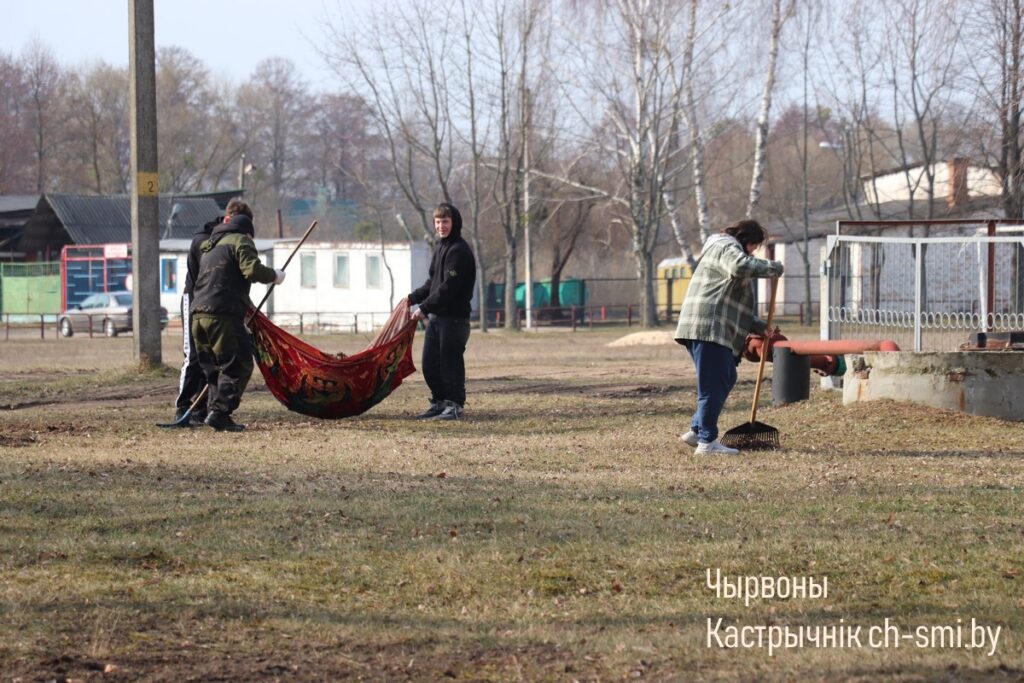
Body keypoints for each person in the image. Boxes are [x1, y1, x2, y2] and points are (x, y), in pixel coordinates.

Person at [674, 219, 783, 454]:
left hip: (702, 324)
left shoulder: (720, 249)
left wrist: (760, 326)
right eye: (754, 246)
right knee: (712, 385)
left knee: (725, 377)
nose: (753, 252)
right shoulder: (727, 246)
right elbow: (739, 266)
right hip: (709, 326)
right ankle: (707, 442)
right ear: (746, 239)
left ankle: (697, 430)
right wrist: (772, 267)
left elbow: (730, 304)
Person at [190, 199, 285, 432]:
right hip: (222, 314)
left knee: (213, 368)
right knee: (239, 364)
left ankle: (213, 412)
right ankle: (220, 413)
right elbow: (251, 270)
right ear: (248, 229)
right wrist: (274, 275)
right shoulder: (241, 240)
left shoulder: (210, 244)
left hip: (197, 315)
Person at [408, 203, 477, 421]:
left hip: (454, 320)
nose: (441, 226)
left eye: (445, 221)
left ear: (454, 222)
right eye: (438, 222)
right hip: (437, 319)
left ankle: (455, 405)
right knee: (430, 364)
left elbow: (448, 287)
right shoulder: (440, 247)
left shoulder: (458, 251)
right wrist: (411, 299)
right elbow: (433, 283)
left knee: (450, 363)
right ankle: (439, 402)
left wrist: (424, 308)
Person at [172, 213, 221, 424]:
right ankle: (182, 406)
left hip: (211, 302)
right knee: (193, 355)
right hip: (192, 300)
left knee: (209, 357)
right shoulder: (202, 242)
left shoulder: (220, 241)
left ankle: (200, 408)